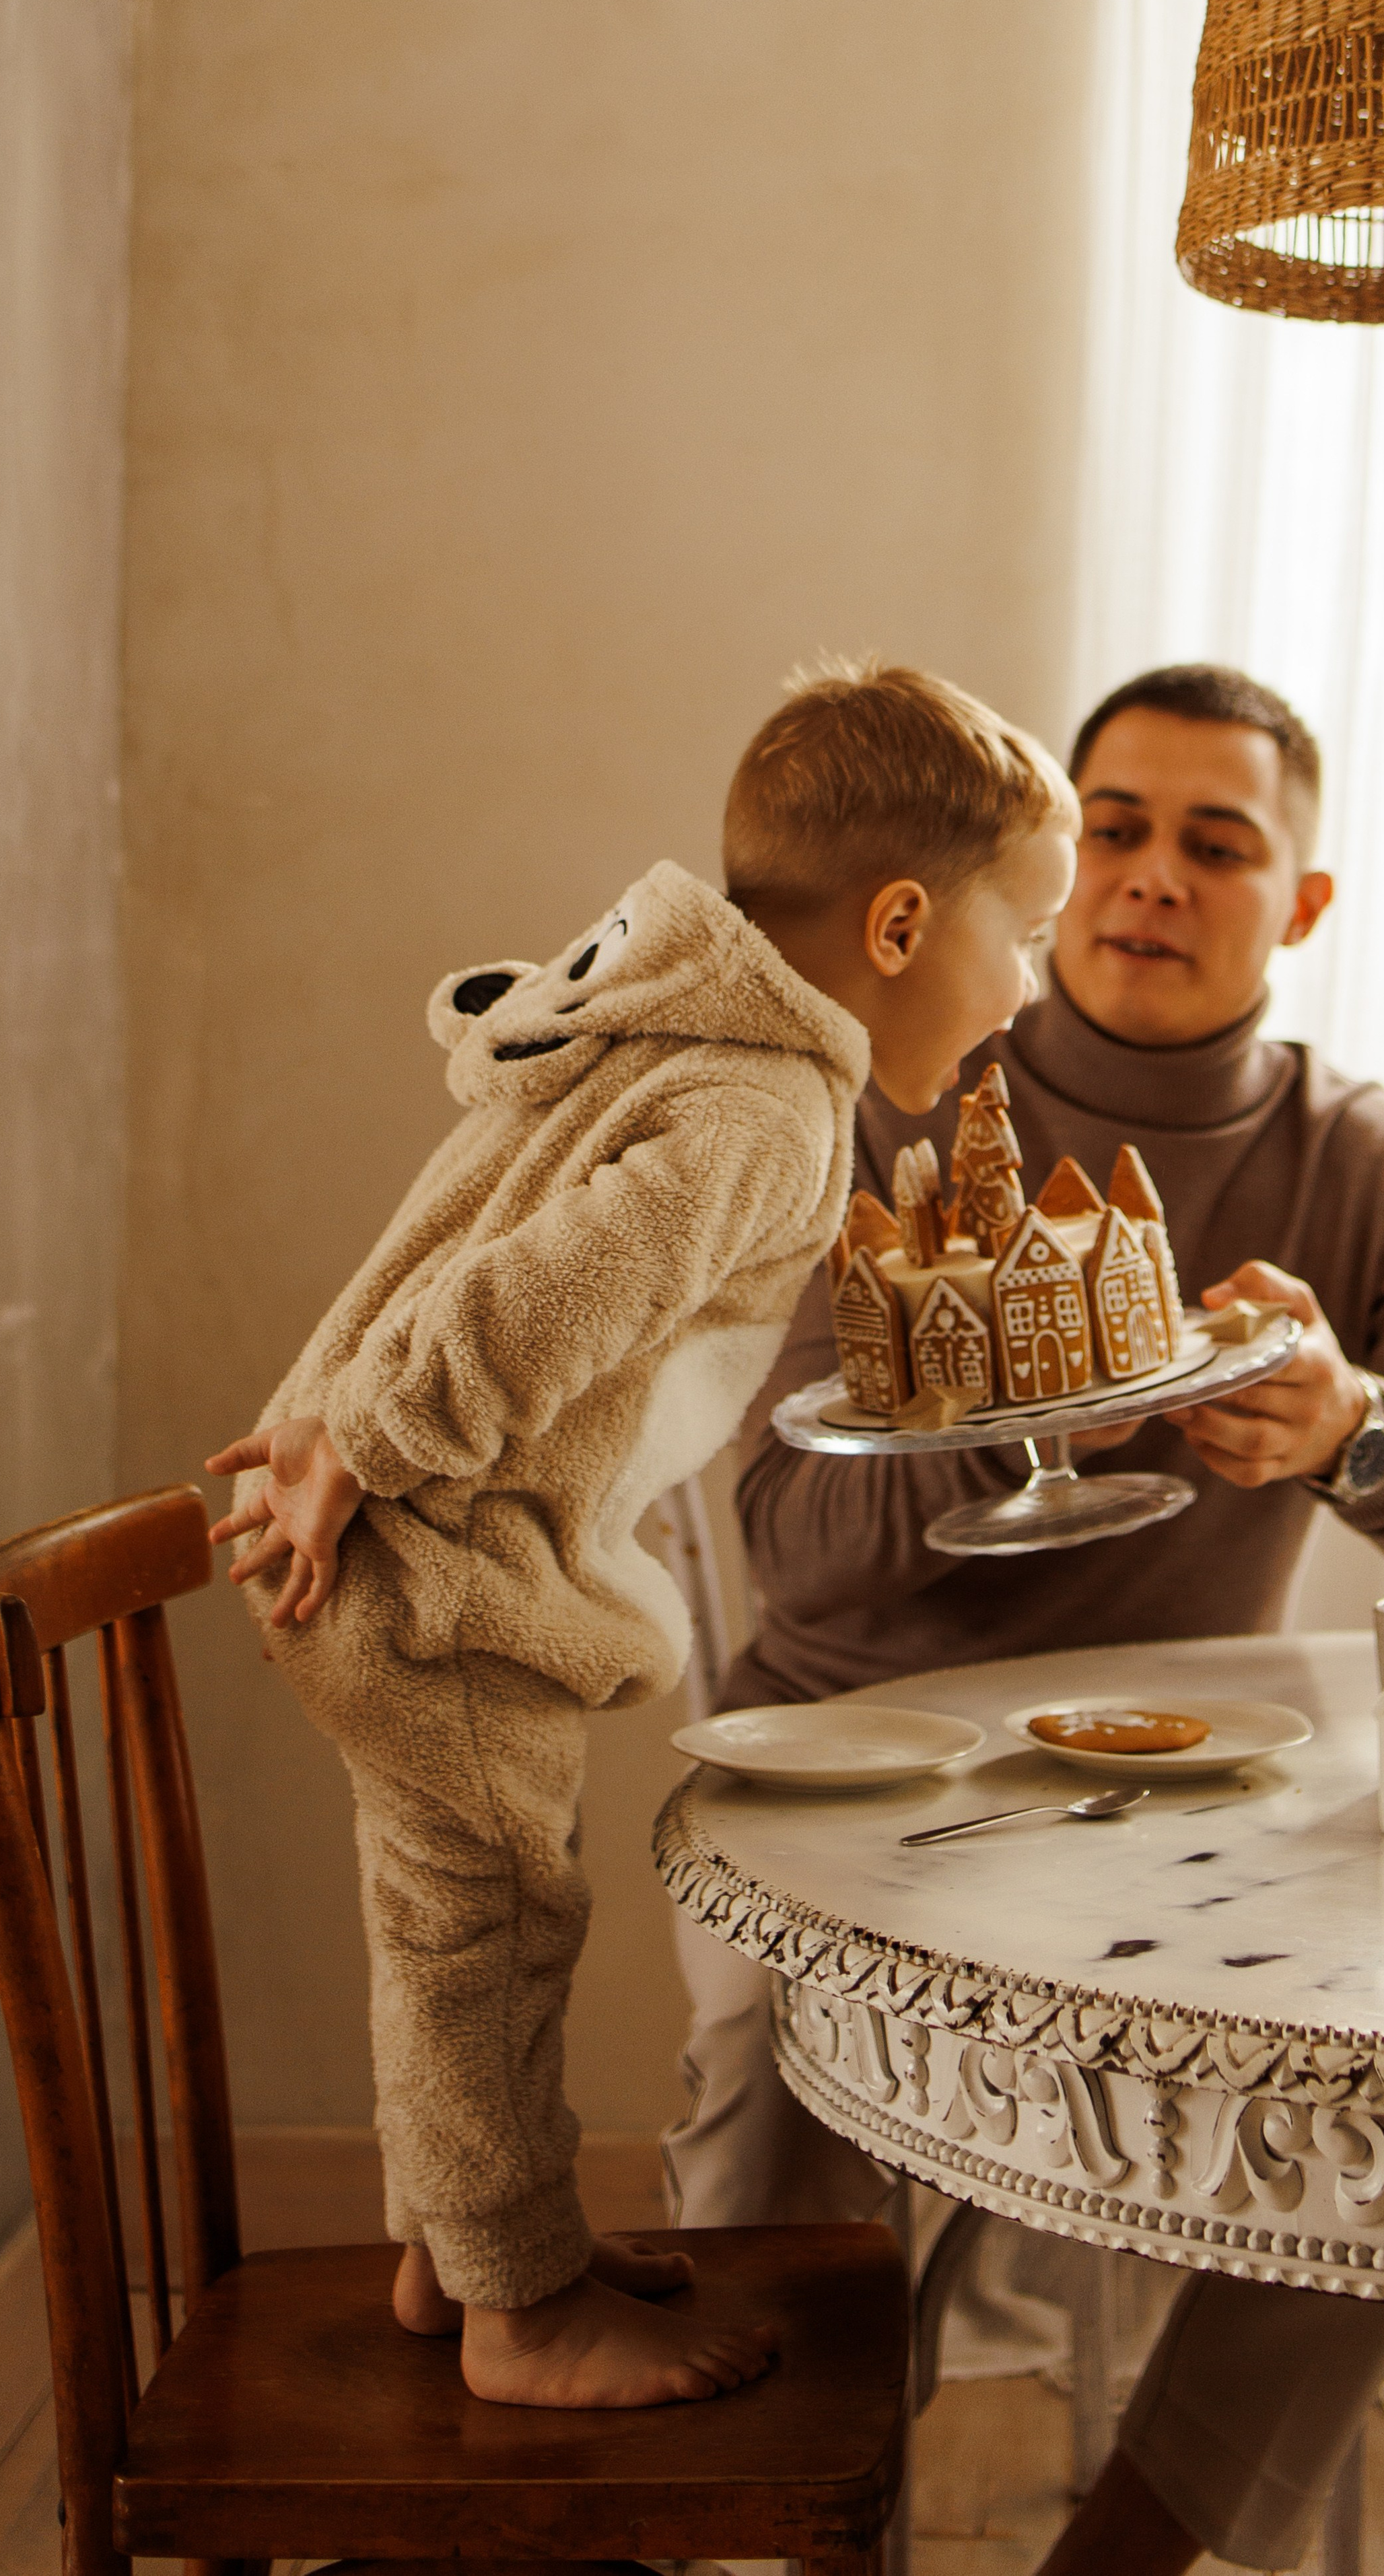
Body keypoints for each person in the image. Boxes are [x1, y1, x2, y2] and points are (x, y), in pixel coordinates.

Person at [664, 664, 1384, 2567]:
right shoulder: (892, 1101)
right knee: (777, 2183)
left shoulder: (1368, 1167)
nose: (1154, 877)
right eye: (1115, 828)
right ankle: (770, 2523)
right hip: (852, 1780)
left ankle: (1132, 2548)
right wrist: (1036, 1404)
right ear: (1054, 862)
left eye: (1219, 843)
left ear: (1302, 903)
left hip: (1184, 1797)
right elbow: (796, 1548)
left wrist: (1358, 1435)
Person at [202, 662, 1078, 2411]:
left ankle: (460, 2255)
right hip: (432, 1559)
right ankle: (521, 2313)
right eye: (1029, 933)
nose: (1032, 985)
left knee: (456, 1917)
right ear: (903, 926)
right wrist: (371, 1442)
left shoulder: (679, 1040)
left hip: (410, 1534)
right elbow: (543, 1292)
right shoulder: (766, 1113)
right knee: (490, 1931)